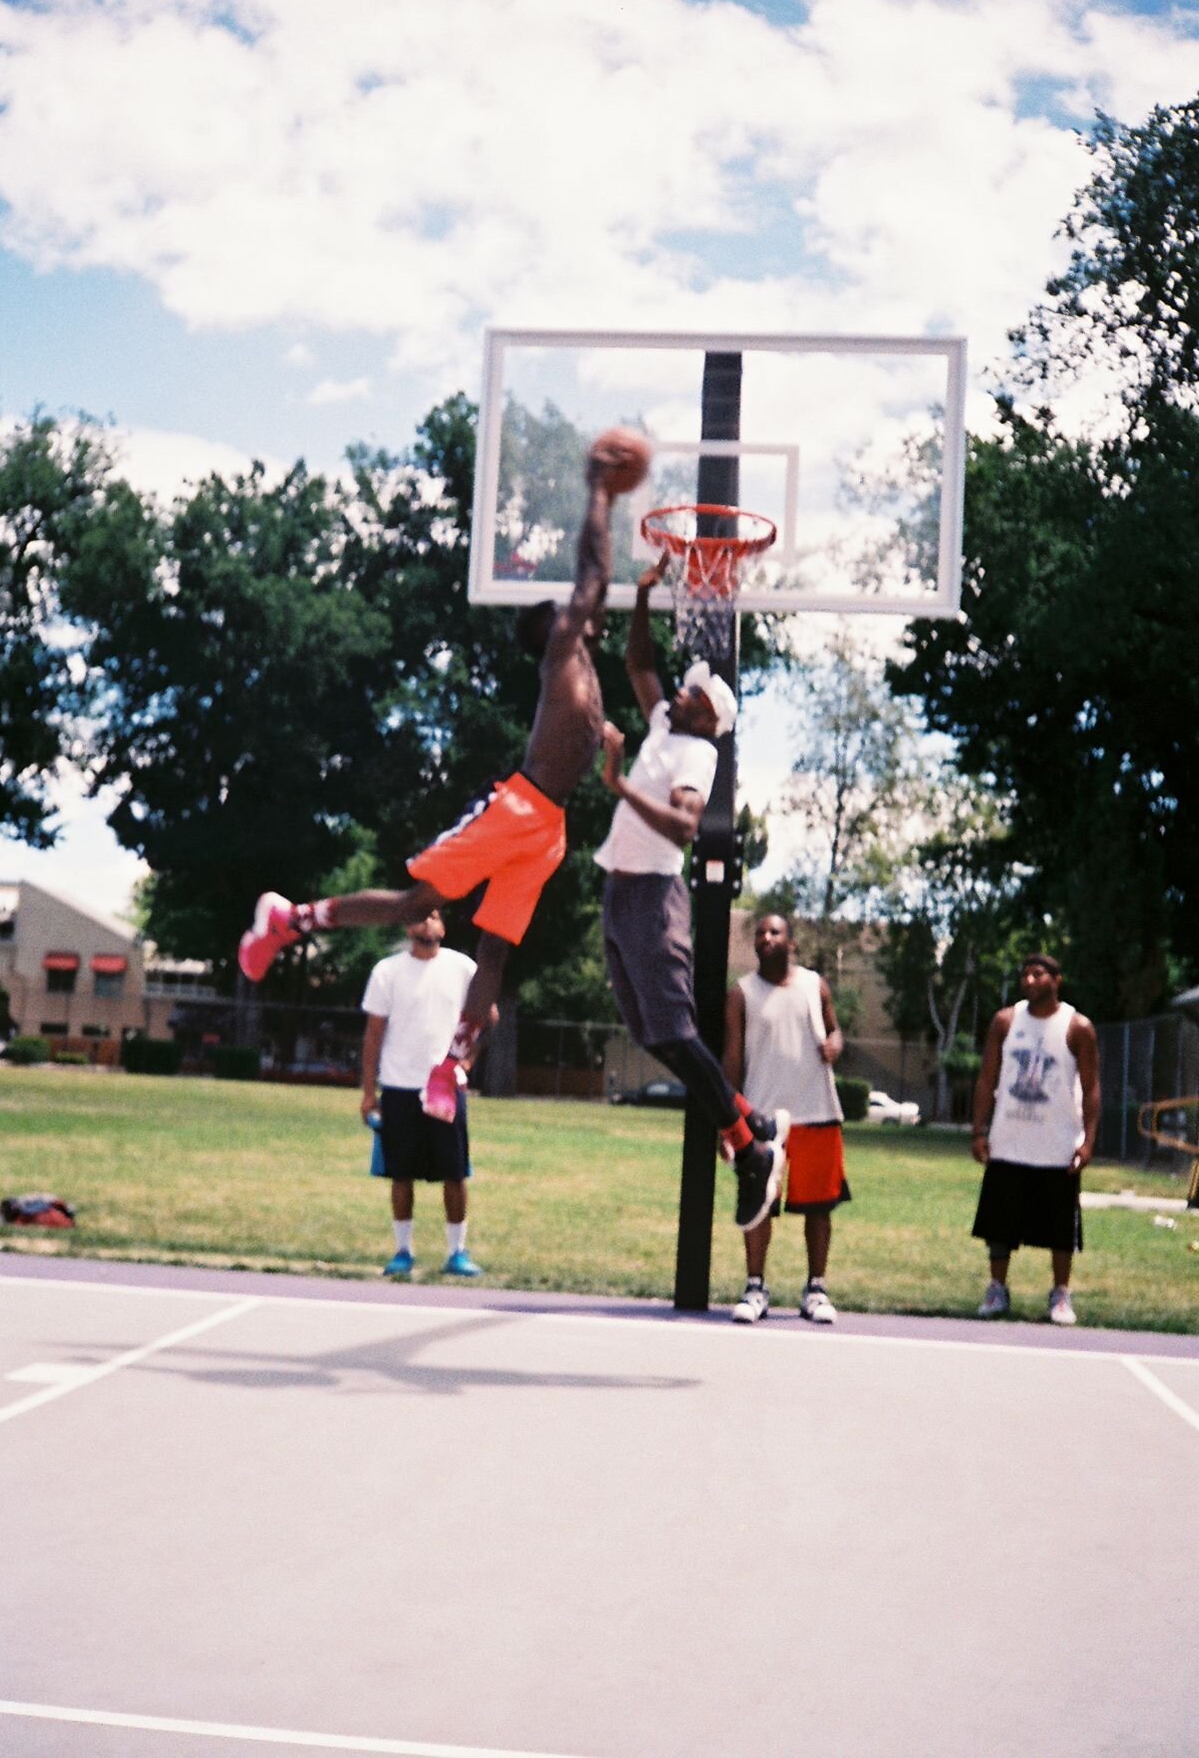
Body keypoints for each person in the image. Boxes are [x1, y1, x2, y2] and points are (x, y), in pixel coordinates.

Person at [238, 433, 641, 1118]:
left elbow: (593, 709)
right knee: (412, 905)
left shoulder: (584, 669)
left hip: (548, 829)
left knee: (495, 954)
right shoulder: (562, 650)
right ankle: (290, 918)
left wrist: (606, 751)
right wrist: (600, 494)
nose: (582, 609)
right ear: (553, 627)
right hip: (516, 807)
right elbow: (593, 574)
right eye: (570, 609)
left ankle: (448, 1069)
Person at [596, 556, 788, 1233]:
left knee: (675, 1032)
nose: (679, 690)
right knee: (656, 1036)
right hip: (618, 895)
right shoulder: (663, 730)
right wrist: (645, 596)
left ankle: (751, 1143)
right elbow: (637, 663)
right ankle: (749, 1128)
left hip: (652, 895)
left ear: (708, 717)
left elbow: (683, 827)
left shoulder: (696, 755)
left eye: (692, 693)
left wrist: (618, 785)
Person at [723, 913, 848, 1323]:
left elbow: (835, 1032)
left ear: (791, 943)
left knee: (819, 1207)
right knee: (760, 1207)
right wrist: (727, 1121)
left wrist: (834, 1044)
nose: (766, 938)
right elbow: (732, 1059)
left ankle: (816, 1288)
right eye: (760, 933)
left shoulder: (815, 984)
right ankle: (755, 1287)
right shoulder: (742, 993)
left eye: (774, 932)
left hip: (816, 1111)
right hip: (761, 1118)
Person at [969, 952, 1100, 1326]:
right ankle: (997, 1288)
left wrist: (1088, 1142)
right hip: (1009, 1140)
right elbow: (986, 1079)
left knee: (1060, 1229)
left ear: (1057, 980)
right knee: (999, 1225)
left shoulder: (1077, 1027)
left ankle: (1060, 1293)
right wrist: (979, 1130)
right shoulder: (1006, 1021)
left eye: (1038, 974)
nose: (1029, 981)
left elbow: (1091, 1089)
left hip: (1056, 1145)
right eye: (1025, 974)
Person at [361, 909, 485, 1278]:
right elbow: (372, 1035)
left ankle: (457, 1253)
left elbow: (486, 1016)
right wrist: (369, 1092)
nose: (425, 924)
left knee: (454, 1172)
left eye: (432, 917)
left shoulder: (463, 968)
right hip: (399, 1085)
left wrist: (468, 1060)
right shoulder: (387, 971)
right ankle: (403, 1251)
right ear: (407, 926)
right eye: (418, 918)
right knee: (401, 1172)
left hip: (445, 1085)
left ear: (442, 926)